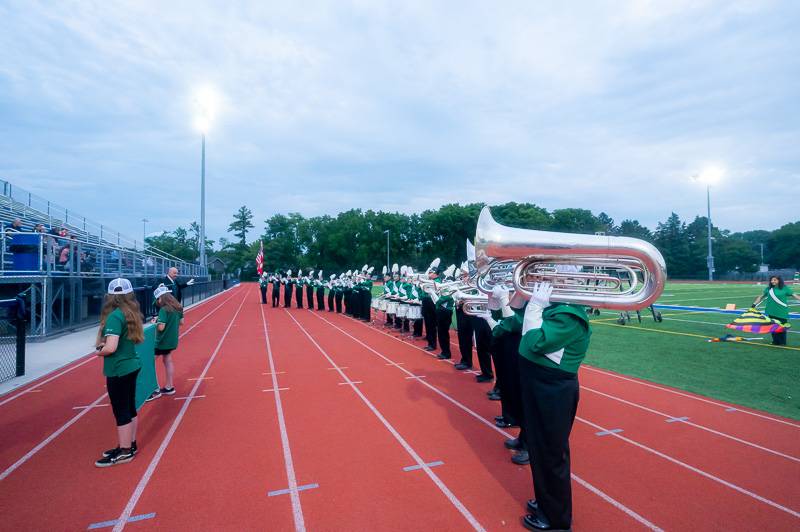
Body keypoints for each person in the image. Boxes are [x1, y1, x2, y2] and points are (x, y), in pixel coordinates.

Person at [518, 282, 591, 531]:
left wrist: (535, 307)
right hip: (543, 386)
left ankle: (556, 520)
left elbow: (534, 342)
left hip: (552, 389)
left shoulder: (570, 315)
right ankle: (546, 503)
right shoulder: (559, 308)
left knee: (550, 453)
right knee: (541, 450)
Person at [94, 278, 144, 467]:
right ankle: (130, 444)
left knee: (121, 410)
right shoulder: (130, 312)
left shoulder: (115, 316)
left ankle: (124, 451)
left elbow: (111, 347)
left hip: (119, 368)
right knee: (130, 407)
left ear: (110, 296)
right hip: (131, 364)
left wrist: (99, 351)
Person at [148, 284, 184, 399]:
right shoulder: (178, 307)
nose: (157, 302)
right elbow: (182, 322)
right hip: (172, 341)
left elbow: (161, 327)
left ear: (162, 298)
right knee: (167, 360)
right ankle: (169, 386)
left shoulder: (164, 310)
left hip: (161, 341)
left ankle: (154, 389)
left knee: (149, 363)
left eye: (158, 299)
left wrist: (156, 322)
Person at [753, 276, 799, 345]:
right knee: (773, 327)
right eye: (772, 280)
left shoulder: (785, 288)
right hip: (771, 311)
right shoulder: (768, 289)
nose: (773, 281)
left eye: (775, 280)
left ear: (779, 280)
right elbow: (760, 296)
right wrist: (754, 304)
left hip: (782, 311)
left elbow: (795, 295)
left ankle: (782, 342)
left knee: (782, 327)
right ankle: (775, 341)